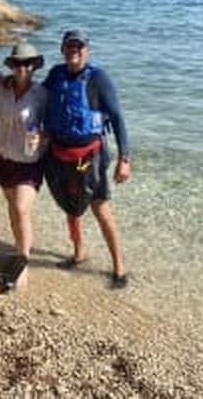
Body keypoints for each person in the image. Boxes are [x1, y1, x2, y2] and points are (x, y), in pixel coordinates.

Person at [42, 29, 131, 288]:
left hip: (90, 155)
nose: (74, 51)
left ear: (86, 50)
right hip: (60, 153)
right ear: (62, 49)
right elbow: (38, 98)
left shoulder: (99, 78)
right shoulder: (55, 74)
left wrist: (124, 157)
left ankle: (119, 266)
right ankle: (79, 252)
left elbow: (117, 118)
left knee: (100, 208)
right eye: (69, 46)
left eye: (79, 47)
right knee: (71, 206)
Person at [0, 42, 47, 290]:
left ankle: (22, 264)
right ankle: (17, 250)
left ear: (34, 66)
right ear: (11, 66)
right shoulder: (1, 88)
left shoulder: (42, 94)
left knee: (21, 208)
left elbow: (54, 126)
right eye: (17, 63)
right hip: (2, 158)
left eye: (27, 63)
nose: (22, 67)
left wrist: (43, 137)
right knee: (13, 209)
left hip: (29, 162)